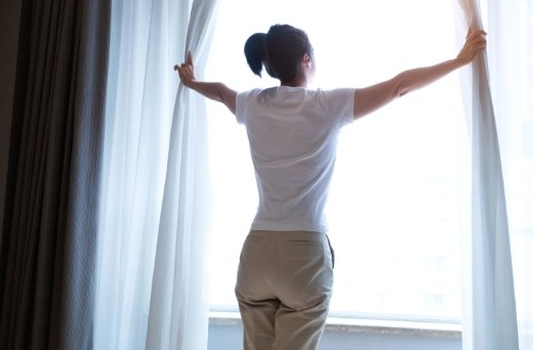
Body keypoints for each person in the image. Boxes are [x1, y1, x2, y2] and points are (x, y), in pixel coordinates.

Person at [175, 24, 486, 350]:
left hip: (256, 254)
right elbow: (398, 86)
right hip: (302, 256)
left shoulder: (253, 104)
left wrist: (191, 82)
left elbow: (222, 92)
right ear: (306, 60)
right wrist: (458, 61)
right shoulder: (325, 106)